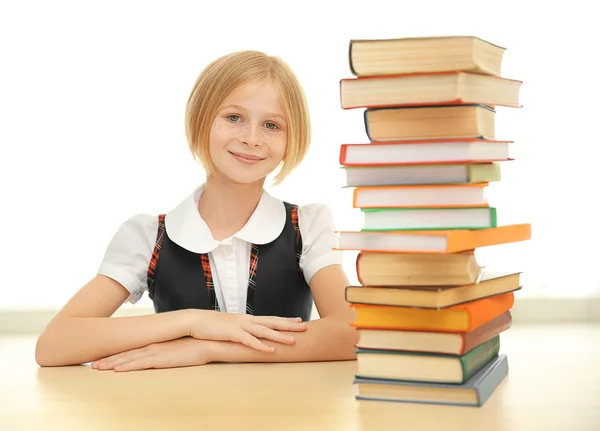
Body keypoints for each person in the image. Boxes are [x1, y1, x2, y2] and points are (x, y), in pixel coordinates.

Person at [35, 50, 357, 372]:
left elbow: (352, 335)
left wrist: (205, 348)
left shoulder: (308, 226)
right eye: (234, 118)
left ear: (292, 140)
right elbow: (54, 345)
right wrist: (193, 323)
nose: (251, 139)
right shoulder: (148, 237)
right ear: (201, 120)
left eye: (272, 125)